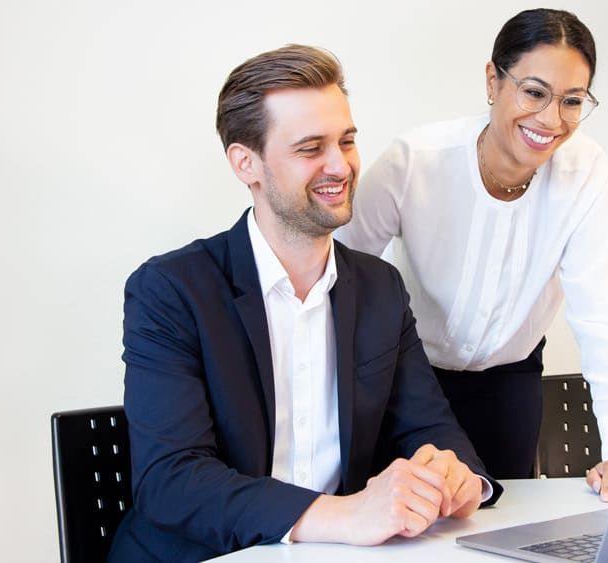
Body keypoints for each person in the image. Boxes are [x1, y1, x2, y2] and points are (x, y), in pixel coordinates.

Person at [107, 45, 502, 562]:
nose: (340, 165)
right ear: (246, 163)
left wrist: (457, 476)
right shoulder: (172, 290)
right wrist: (345, 515)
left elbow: (428, 426)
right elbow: (172, 480)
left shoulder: (380, 286)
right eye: (311, 148)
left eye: (347, 141)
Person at [335, 8, 608, 500]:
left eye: (571, 101)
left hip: (509, 386)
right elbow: (338, 272)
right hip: (409, 384)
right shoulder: (414, 162)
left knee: (504, 519)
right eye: (534, 92)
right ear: (492, 80)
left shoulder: (585, 172)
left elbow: (601, 317)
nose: (551, 119)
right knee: (404, 518)